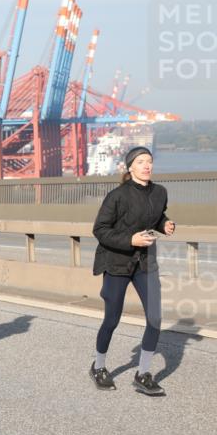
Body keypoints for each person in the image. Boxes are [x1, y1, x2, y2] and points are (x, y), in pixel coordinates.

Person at [90, 146, 174, 395]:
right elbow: (100, 229)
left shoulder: (160, 192)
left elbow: (155, 215)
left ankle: (143, 374)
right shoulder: (117, 196)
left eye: (149, 161)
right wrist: (130, 240)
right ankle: (99, 366)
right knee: (112, 319)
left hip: (146, 263)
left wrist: (165, 224)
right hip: (117, 262)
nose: (147, 165)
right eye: (140, 162)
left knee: (155, 319)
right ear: (130, 167)